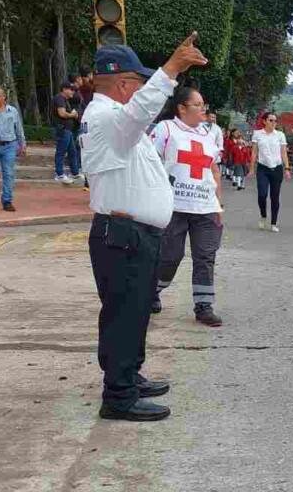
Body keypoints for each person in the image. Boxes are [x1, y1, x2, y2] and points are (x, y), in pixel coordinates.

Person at [80, 33, 208, 421]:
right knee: (123, 316)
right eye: (138, 84)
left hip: (133, 233)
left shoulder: (115, 123)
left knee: (134, 314)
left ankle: (129, 377)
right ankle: (118, 397)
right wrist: (171, 70)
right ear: (122, 84)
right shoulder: (107, 117)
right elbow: (138, 113)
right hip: (123, 235)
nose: (142, 96)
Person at [151, 85, 225, 327]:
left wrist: (218, 204)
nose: (203, 109)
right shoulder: (166, 129)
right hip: (174, 206)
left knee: (205, 256)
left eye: (204, 105)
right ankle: (152, 290)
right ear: (181, 108)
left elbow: (213, 168)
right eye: (198, 105)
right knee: (170, 256)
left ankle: (203, 306)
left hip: (205, 207)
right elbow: (150, 163)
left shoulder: (208, 134)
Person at [250, 112, 290, 232]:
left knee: (275, 196)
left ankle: (273, 222)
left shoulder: (280, 135)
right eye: (271, 120)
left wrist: (287, 168)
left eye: (275, 121)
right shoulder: (257, 134)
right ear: (264, 121)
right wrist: (252, 168)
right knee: (262, 194)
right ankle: (263, 215)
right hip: (263, 168)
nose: (274, 123)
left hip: (277, 168)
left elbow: (283, 153)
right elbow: (254, 152)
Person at [52, 81, 82, 184]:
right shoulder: (59, 99)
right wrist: (73, 115)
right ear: (64, 89)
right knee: (61, 151)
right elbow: (62, 114)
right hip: (62, 129)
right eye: (71, 90)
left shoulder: (65, 100)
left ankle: (75, 172)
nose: (72, 92)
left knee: (72, 151)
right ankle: (59, 174)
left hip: (67, 130)